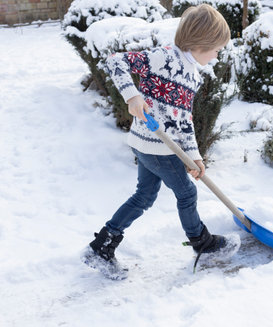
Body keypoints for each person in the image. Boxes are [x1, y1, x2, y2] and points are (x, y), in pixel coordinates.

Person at [83, 4, 234, 277]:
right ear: (203, 42)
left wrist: (194, 156)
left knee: (144, 195)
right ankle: (202, 241)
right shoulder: (163, 57)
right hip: (155, 146)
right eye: (217, 48)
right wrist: (132, 96)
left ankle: (102, 245)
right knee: (186, 193)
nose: (217, 54)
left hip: (150, 145)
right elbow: (116, 61)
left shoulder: (192, 74)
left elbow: (183, 121)